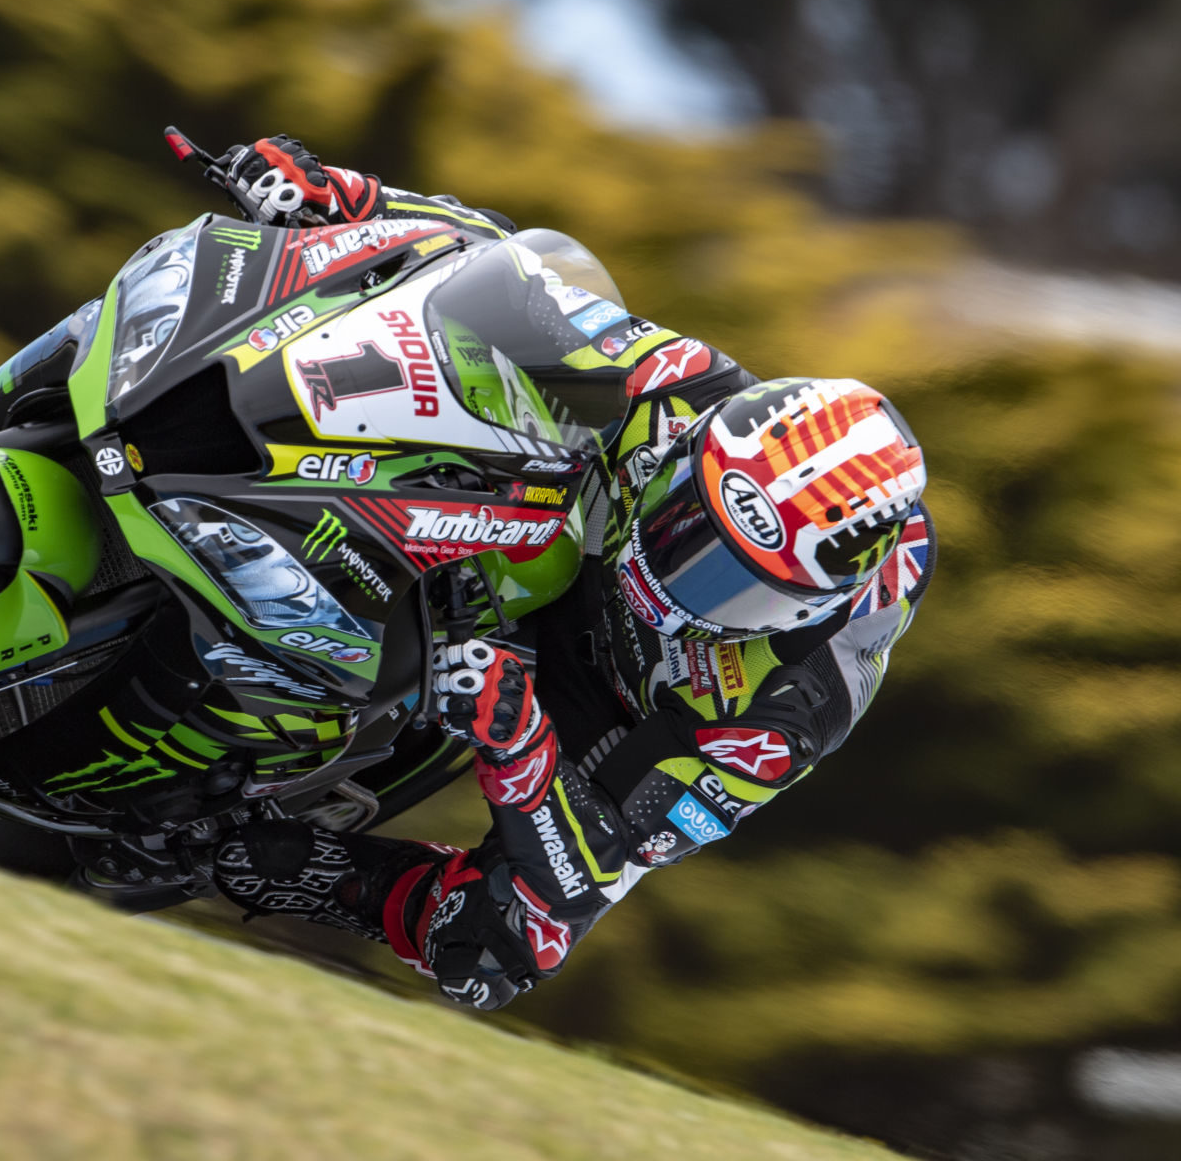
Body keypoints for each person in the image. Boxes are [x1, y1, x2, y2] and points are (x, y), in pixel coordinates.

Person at [206, 136, 935, 1011]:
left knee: (508, 948)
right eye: (687, 524)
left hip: (604, 704)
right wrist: (344, 197)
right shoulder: (681, 389)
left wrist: (517, 741)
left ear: (807, 608)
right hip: (545, 532)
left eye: (733, 584)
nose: (679, 572)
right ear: (705, 445)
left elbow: (601, 857)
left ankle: (273, 865)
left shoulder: (788, 713)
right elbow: (497, 273)